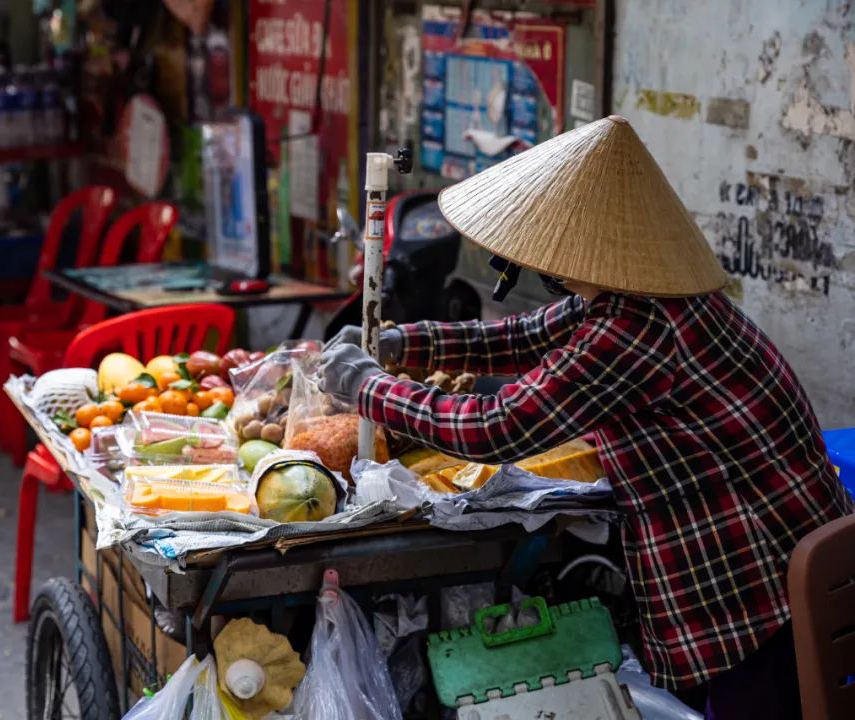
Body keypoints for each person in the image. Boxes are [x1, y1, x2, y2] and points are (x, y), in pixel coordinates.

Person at [317, 116, 852, 720]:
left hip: (752, 583)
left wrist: (371, 388)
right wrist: (405, 344)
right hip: (765, 560)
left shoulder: (637, 327)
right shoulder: (634, 297)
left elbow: (494, 427)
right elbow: (524, 336)